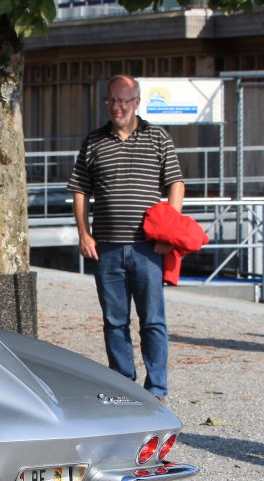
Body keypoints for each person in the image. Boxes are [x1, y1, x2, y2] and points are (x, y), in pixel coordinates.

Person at [68, 74, 186, 402]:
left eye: (122, 101)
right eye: (111, 100)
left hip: (148, 247)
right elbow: (80, 190)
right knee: (114, 320)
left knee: (153, 320)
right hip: (106, 247)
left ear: (137, 102)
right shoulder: (94, 141)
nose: (116, 107)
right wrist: (84, 233)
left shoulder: (158, 137)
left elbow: (176, 184)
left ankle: (156, 388)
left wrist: (170, 232)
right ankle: (123, 383)